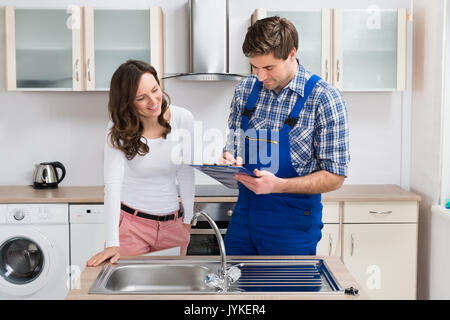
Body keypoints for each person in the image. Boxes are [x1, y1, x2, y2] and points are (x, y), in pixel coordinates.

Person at [221, 16, 350, 255]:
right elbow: (233, 145)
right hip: (243, 221)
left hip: (292, 227)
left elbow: (335, 176)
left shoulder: (324, 99)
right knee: (234, 290)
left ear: (292, 54)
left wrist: (279, 186)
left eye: (269, 67)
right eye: (254, 67)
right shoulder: (245, 90)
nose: (260, 76)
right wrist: (230, 159)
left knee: (285, 292)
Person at [87, 60, 195, 267]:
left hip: (173, 227)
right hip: (131, 227)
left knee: (170, 294)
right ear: (127, 102)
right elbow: (112, 185)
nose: (153, 101)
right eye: (141, 98)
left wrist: (187, 221)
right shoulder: (118, 128)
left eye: (155, 90)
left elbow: (186, 172)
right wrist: (112, 242)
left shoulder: (183, 118)